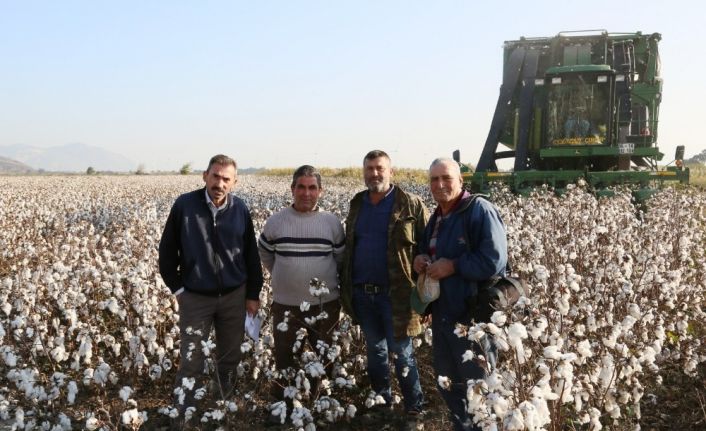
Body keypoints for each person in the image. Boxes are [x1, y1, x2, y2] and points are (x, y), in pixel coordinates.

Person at [159, 154, 263, 418]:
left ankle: (222, 410)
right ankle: (183, 414)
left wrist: (252, 294)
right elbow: (167, 253)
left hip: (234, 296)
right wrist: (179, 290)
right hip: (195, 297)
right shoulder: (185, 205)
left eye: (226, 178)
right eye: (215, 176)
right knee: (191, 360)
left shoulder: (239, 209)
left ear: (234, 182)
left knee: (229, 359)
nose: (220, 182)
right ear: (205, 176)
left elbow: (251, 255)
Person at [412, 158, 507, 431]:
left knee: (478, 388)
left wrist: (453, 266)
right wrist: (420, 259)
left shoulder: (479, 210)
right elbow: (429, 252)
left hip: (472, 318)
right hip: (442, 315)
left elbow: (494, 260)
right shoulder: (438, 217)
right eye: (433, 179)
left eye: (446, 178)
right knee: (447, 383)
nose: (439, 184)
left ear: (460, 181)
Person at [340, 150, 429, 422]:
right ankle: (382, 405)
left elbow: (426, 248)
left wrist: (427, 297)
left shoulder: (411, 204)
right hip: (363, 294)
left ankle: (415, 409)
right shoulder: (357, 204)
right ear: (363, 172)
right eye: (369, 169)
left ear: (391, 171)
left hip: (398, 296)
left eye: (380, 168)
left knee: (402, 353)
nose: (374, 174)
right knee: (375, 353)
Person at [258, 165, 345, 397]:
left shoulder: (332, 223)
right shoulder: (276, 222)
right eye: (301, 187)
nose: (306, 193)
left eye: (312, 188)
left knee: (325, 357)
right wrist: (285, 275)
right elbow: (266, 254)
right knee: (285, 358)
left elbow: (340, 259)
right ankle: (284, 407)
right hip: (286, 305)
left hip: (325, 305)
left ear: (320, 191)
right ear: (292, 189)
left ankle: (320, 405)